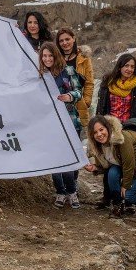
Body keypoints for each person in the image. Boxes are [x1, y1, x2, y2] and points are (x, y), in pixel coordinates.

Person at [84, 115, 136, 224]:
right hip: (124, 164)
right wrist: (95, 167)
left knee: (128, 194)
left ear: (108, 127)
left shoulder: (121, 138)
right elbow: (108, 165)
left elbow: (128, 163)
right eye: (95, 133)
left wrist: (126, 185)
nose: (99, 134)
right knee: (112, 173)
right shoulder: (99, 145)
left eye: (101, 130)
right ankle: (118, 205)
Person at [39, 42, 82, 209]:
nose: (48, 59)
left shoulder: (68, 71)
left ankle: (72, 191)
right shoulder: (39, 75)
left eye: (50, 55)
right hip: (49, 123)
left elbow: (78, 91)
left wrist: (69, 96)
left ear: (55, 55)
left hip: (69, 120)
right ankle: (60, 191)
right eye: (44, 56)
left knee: (68, 158)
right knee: (55, 159)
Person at [56, 27, 94, 130]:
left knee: (75, 137)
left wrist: (86, 102)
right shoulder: (55, 59)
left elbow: (89, 83)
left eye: (67, 39)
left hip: (78, 104)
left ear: (73, 38)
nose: (65, 43)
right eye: (61, 41)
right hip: (60, 104)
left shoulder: (83, 58)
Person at [95, 53, 136, 123]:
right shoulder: (108, 83)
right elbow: (100, 107)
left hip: (129, 127)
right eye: (126, 66)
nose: (129, 69)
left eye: (132, 67)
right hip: (109, 126)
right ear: (120, 67)